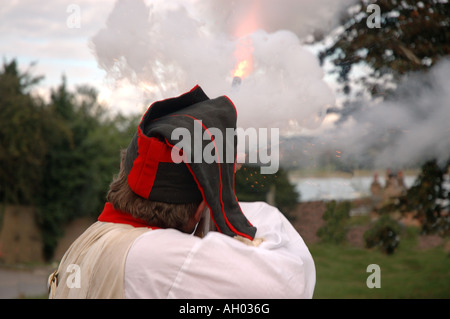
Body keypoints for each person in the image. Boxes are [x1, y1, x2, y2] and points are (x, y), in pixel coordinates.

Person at [48, 85, 316, 299]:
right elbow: (291, 284)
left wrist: (215, 181)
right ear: (201, 206)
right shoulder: (157, 255)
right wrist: (224, 198)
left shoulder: (94, 236)